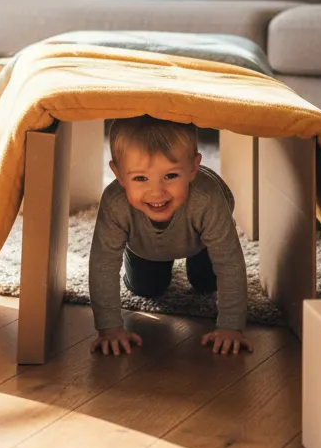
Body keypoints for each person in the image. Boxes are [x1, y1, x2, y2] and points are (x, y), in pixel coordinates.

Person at [88, 115, 253, 357]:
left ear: (193, 168)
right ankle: (144, 258)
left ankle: (197, 258)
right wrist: (109, 328)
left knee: (206, 283)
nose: (157, 192)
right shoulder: (115, 203)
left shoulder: (206, 199)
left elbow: (229, 263)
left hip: (200, 241)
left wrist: (231, 326)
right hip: (143, 246)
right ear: (118, 174)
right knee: (147, 287)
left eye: (171, 176)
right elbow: (102, 264)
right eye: (140, 178)